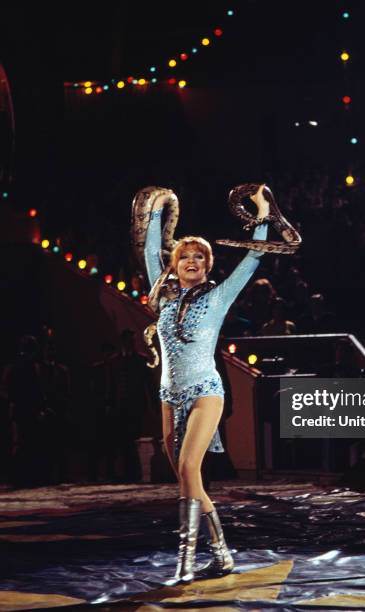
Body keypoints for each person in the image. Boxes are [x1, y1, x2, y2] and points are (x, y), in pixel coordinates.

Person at [145, 185, 269, 584]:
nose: (192, 261)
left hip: (205, 392)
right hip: (168, 394)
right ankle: (222, 554)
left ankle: (185, 561)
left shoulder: (217, 298)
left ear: (207, 265)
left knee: (188, 465)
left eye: (200, 256)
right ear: (175, 264)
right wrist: (155, 213)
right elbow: (150, 252)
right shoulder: (162, 298)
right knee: (186, 478)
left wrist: (263, 213)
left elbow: (252, 258)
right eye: (185, 256)